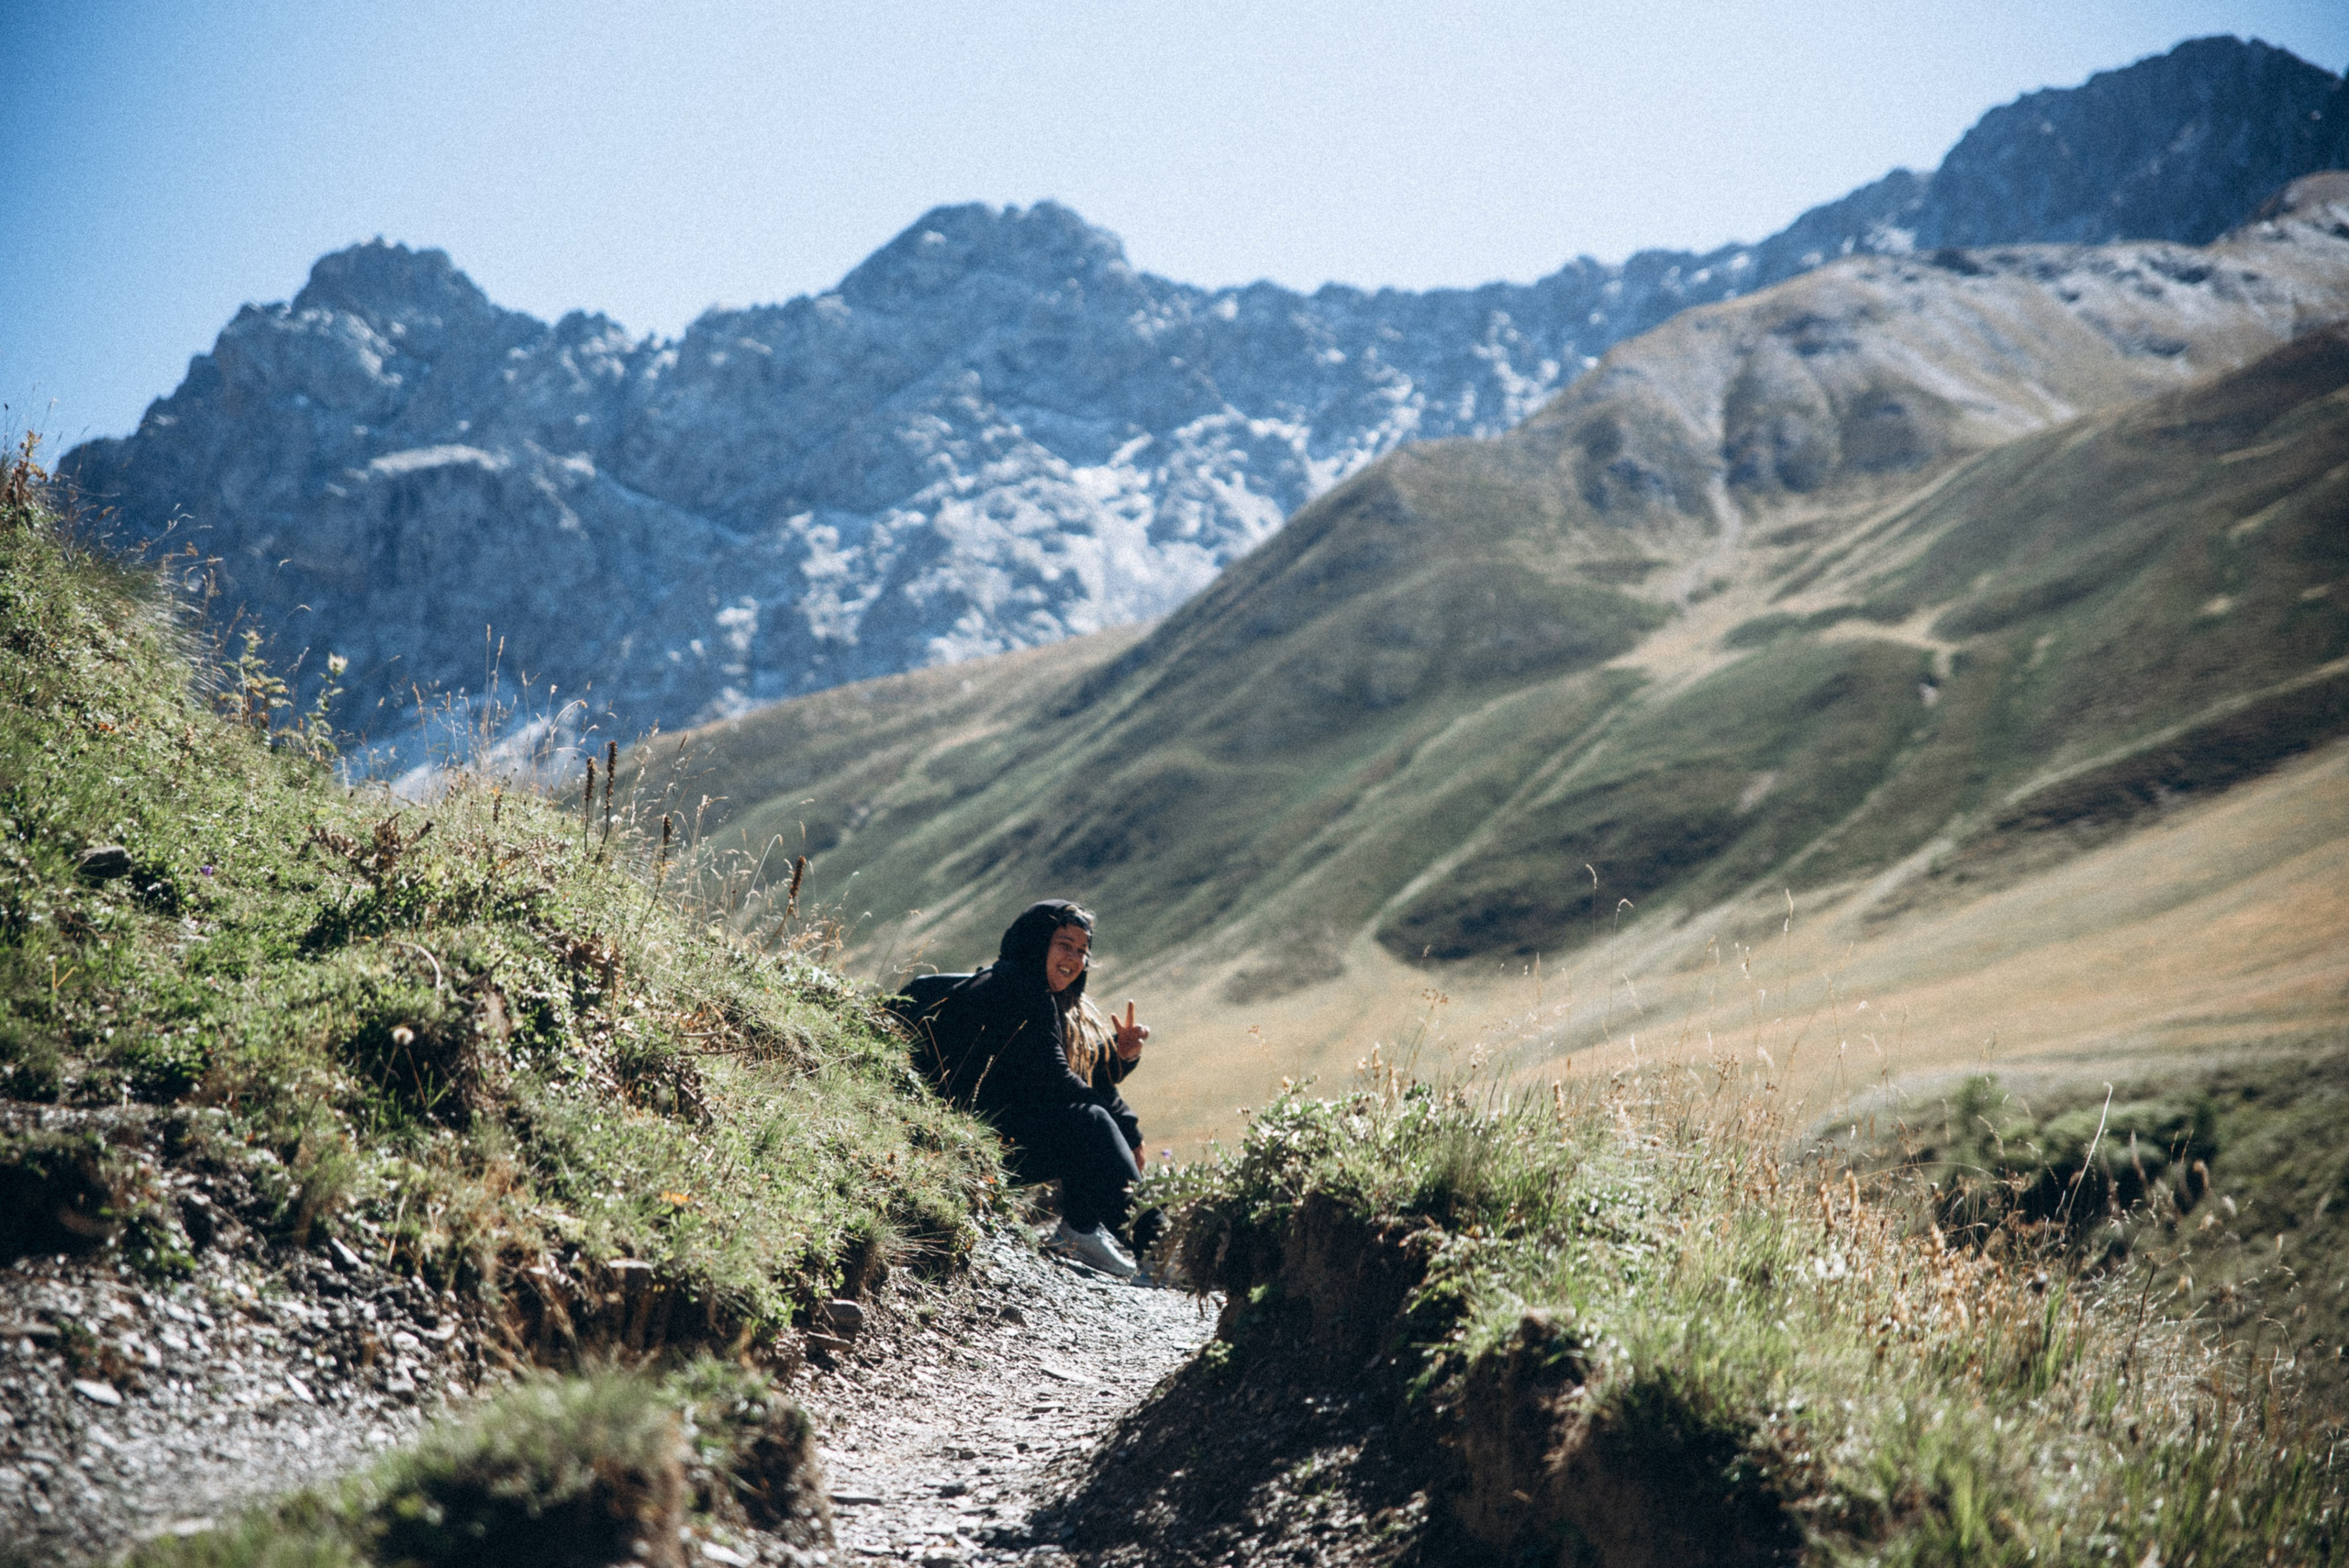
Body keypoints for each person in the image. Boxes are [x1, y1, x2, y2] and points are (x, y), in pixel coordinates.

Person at [909, 899, 1152, 1277]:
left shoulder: (1041, 995)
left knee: (1090, 1115)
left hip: (998, 1130)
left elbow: (1078, 1074)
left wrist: (1120, 1061)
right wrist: (1118, 1130)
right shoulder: (1018, 989)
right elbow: (1056, 1080)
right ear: (1038, 942)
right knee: (1089, 1121)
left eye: (1082, 951)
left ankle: (1081, 1230)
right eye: (1064, 944)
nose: (1073, 958)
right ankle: (1158, 1247)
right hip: (966, 1145)